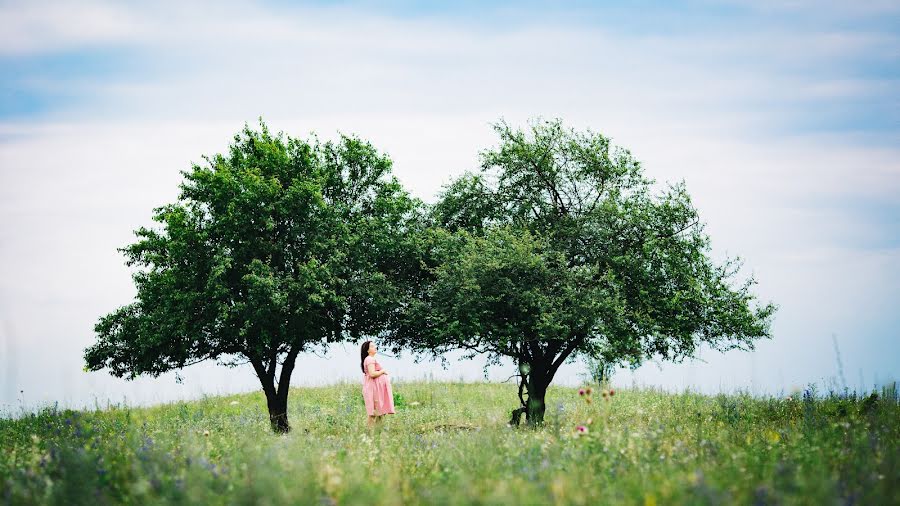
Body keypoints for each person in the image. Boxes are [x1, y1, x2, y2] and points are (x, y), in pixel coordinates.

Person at [360, 340, 395, 429]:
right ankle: (369, 432)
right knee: (374, 412)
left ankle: (377, 432)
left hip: (376, 387)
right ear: (367, 350)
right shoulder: (369, 359)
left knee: (380, 412)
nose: (375, 347)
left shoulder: (370, 359)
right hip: (373, 388)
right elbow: (372, 374)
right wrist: (382, 371)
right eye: (372, 346)